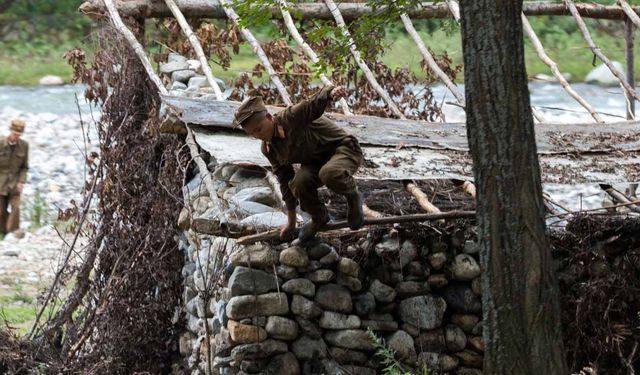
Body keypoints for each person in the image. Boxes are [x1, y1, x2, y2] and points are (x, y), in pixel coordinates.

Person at [233, 85, 364, 242]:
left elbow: (312, 104)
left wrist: (330, 92)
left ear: (269, 118)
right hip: (316, 162)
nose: (257, 135)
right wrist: (291, 223)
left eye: (259, 129)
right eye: (252, 133)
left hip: (343, 149)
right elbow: (284, 180)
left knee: (329, 173)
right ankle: (319, 217)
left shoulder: (291, 117)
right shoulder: (269, 149)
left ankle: (353, 197)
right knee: (298, 184)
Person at [0, 119, 29, 236]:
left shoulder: (24, 146)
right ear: (10, 131)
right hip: (1, 183)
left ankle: (12, 233)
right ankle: (4, 232)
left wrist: (21, 182)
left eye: (19, 135)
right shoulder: (1, 143)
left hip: (15, 183)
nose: (16, 136)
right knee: (0, 211)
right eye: (15, 134)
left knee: (16, 207)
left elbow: (24, 167)